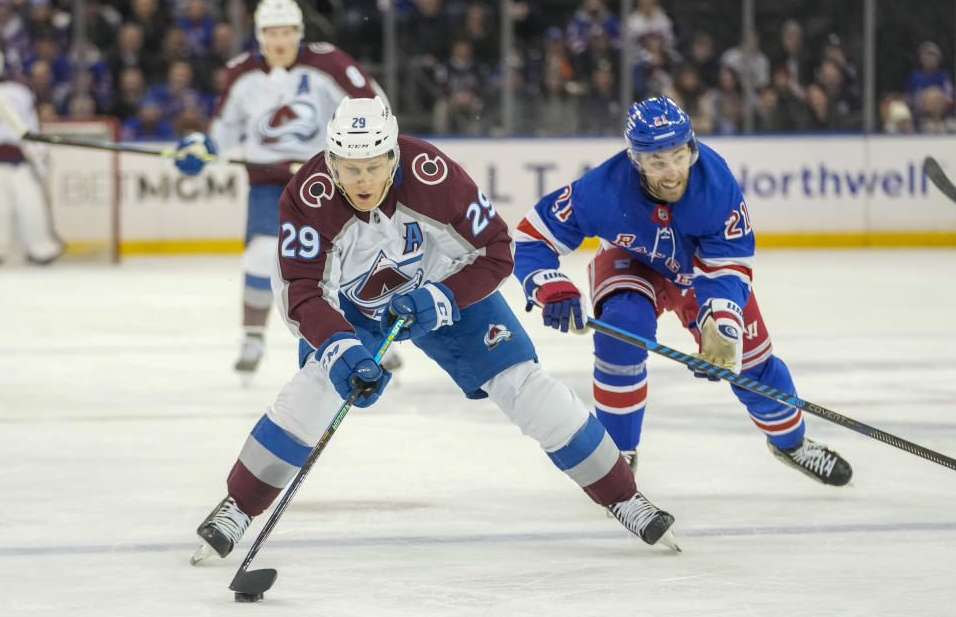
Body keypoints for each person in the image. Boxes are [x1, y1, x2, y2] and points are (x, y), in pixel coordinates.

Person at [189, 97, 678, 565]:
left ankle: (624, 498)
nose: (362, 181)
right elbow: (302, 291)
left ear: (394, 155)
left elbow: (496, 250)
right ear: (331, 161)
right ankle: (236, 507)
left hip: (444, 287)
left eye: (375, 166)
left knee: (522, 383)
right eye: (350, 168)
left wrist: (441, 298)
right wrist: (340, 349)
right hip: (349, 307)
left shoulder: (433, 175)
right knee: (315, 389)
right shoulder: (307, 196)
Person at [512, 95, 852, 487]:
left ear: (690, 146)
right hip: (632, 261)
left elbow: (727, 265)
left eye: (678, 155)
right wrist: (548, 286)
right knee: (622, 332)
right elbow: (533, 237)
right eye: (657, 162)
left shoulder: (716, 186)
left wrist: (721, 328)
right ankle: (616, 458)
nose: (672, 172)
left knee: (753, 366)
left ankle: (791, 444)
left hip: (698, 275)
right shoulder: (602, 189)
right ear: (635, 160)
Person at [173, 0, 390, 383]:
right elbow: (222, 129)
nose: (280, 40)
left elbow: (374, 106)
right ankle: (252, 338)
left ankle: (366, 336)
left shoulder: (329, 63)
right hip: (267, 182)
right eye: (272, 32)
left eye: (287, 32)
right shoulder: (242, 73)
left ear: (299, 33)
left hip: (325, 179)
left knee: (347, 258)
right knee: (259, 254)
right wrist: (202, 149)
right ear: (259, 36)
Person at [0, 43, 63, 265]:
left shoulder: (18, 91)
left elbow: (29, 128)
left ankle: (40, 248)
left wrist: (39, 155)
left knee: (31, 205)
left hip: (20, 160)